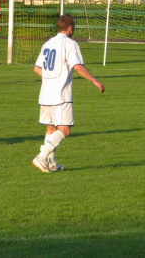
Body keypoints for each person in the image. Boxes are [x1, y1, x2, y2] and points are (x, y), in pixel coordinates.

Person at [32, 14, 105, 173]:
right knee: (65, 130)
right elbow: (77, 66)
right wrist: (94, 80)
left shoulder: (48, 43)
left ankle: (51, 162)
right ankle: (42, 156)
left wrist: (50, 77)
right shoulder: (70, 44)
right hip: (61, 94)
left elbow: (37, 68)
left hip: (45, 93)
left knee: (51, 128)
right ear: (71, 27)